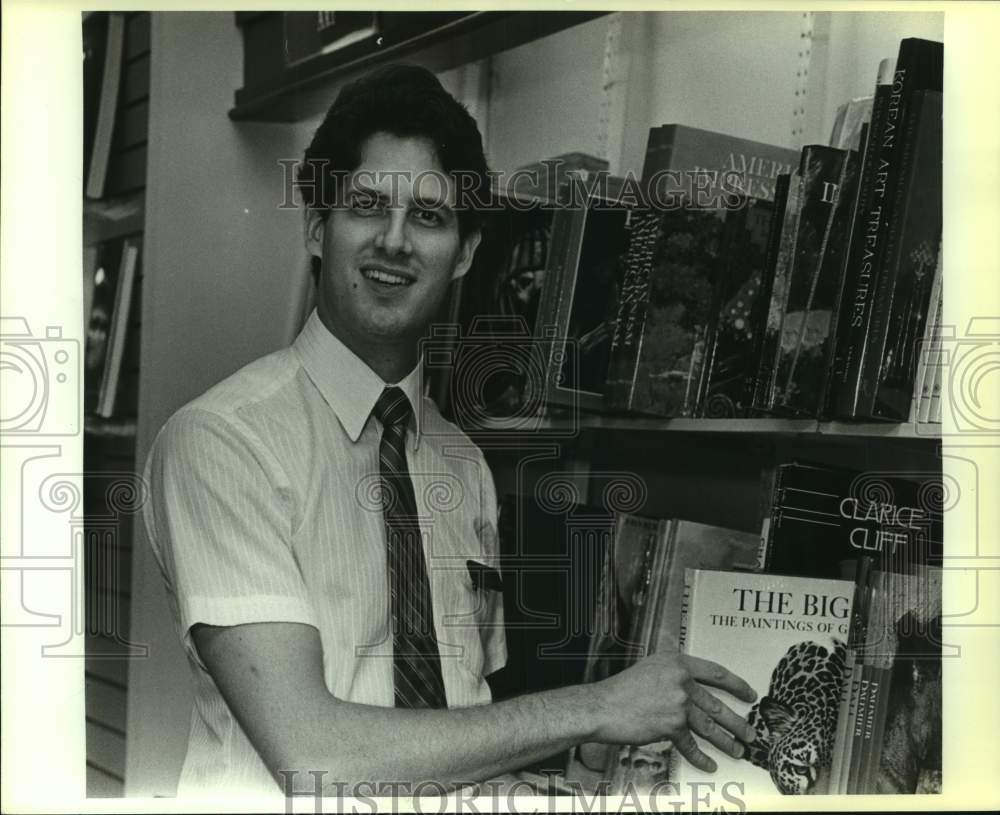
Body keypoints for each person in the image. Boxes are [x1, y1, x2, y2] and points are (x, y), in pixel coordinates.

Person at [143, 63, 757, 799]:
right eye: (368, 206)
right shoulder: (221, 442)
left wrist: (576, 761)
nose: (395, 242)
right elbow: (314, 754)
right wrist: (591, 707)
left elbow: (460, 723)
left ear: (464, 252)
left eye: (429, 217)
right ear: (316, 225)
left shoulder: (461, 464)